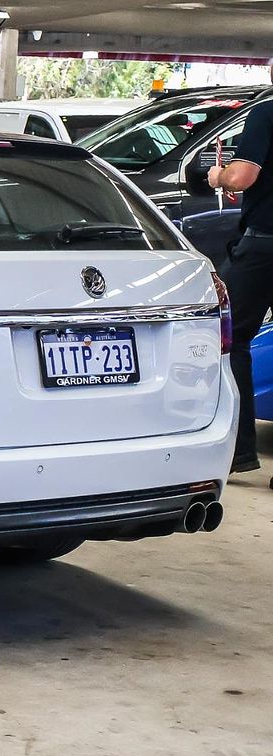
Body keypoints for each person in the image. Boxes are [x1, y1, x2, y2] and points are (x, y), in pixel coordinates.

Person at [209, 64, 273, 480]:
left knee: (233, 336)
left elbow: (243, 176)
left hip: (266, 241)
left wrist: (219, 173)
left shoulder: (266, 112)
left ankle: (240, 449)